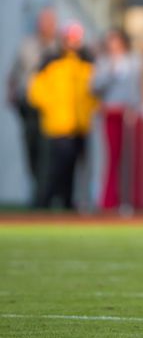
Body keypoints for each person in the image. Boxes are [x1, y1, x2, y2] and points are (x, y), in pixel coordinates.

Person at [27, 23, 97, 210]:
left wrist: (88, 111)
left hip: (79, 126)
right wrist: (53, 108)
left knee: (72, 170)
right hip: (56, 125)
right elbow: (36, 92)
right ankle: (43, 204)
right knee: (52, 170)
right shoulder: (50, 60)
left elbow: (93, 92)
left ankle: (67, 204)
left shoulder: (86, 62)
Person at [7, 7, 60, 206]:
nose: (47, 26)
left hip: (51, 107)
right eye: (44, 22)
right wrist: (11, 94)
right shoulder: (27, 45)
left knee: (50, 152)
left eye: (51, 22)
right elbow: (14, 73)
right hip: (28, 105)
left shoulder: (59, 46)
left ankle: (45, 195)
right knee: (32, 148)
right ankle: (37, 190)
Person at [91, 29, 142, 210]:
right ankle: (108, 199)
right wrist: (110, 72)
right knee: (111, 156)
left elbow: (136, 87)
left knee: (128, 157)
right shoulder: (104, 62)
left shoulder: (134, 61)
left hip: (126, 114)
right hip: (110, 113)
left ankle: (127, 199)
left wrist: (134, 107)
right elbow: (94, 87)